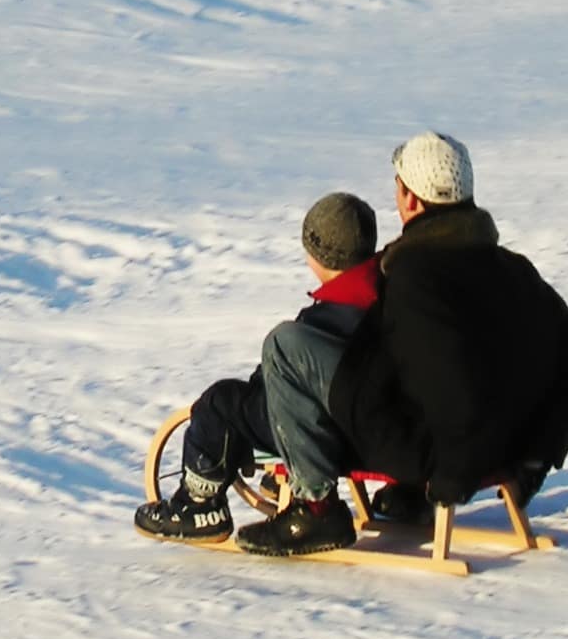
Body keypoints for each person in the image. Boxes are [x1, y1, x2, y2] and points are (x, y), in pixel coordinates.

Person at [236, 130, 568, 559]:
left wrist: (448, 474)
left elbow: (442, 383)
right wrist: (537, 453)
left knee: (286, 345)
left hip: (434, 460)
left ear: (410, 199)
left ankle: (315, 508)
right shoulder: (513, 269)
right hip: (504, 449)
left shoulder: (414, 275)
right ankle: (407, 495)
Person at [134, 192, 382, 547]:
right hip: (376, 426)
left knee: (223, 402)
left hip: (331, 430)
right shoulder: (391, 298)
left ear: (314, 254)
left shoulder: (324, 319)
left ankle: (200, 504)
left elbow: (284, 388)